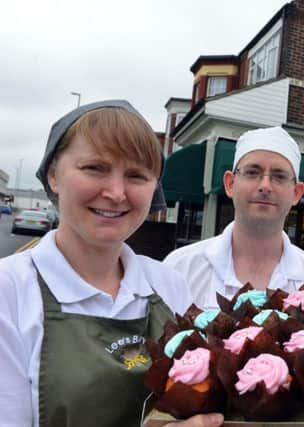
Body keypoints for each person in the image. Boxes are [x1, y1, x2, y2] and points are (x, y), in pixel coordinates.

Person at [0, 100, 222, 427]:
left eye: (136, 175)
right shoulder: (10, 291)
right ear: (53, 175)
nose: (117, 193)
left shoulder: (168, 284)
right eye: (95, 168)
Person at [164, 126, 304, 307]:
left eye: (279, 176)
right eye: (252, 173)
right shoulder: (180, 269)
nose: (265, 186)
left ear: (296, 192)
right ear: (230, 183)